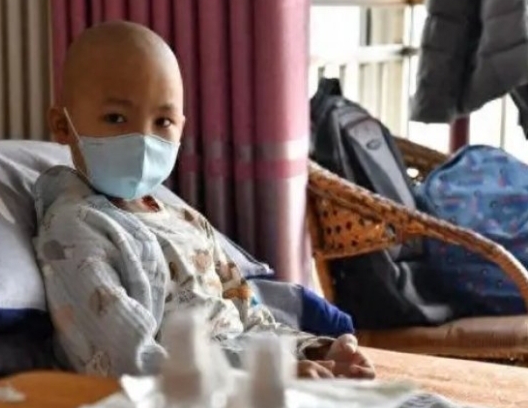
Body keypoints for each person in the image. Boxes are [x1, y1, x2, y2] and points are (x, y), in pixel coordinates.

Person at [34, 20, 373, 379]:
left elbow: (248, 319)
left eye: (163, 121)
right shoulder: (75, 228)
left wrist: (313, 350)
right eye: (116, 117)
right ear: (62, 125)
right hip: (192, 395)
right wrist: (266, 375)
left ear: (182, 126)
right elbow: (125, 357)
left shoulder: (188, 222)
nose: (143, 138)